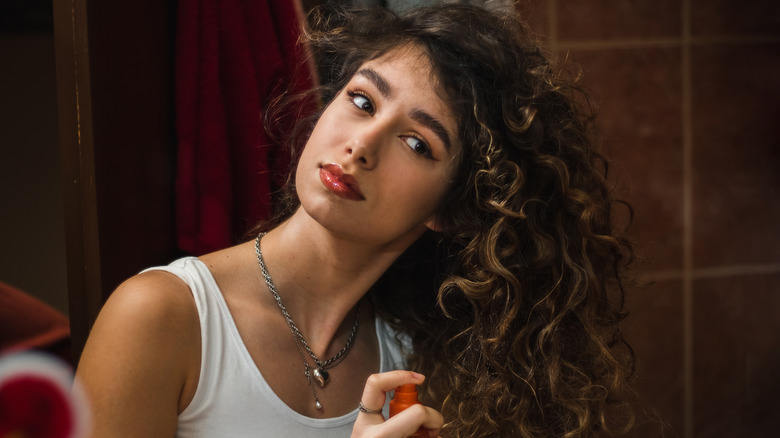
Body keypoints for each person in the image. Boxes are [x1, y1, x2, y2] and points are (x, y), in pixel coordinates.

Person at [75, 4, 636, 437]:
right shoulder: (160, 318)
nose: (362, 145)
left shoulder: (418, 366)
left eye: (417, 143)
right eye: (363, 101)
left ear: (454, 209)